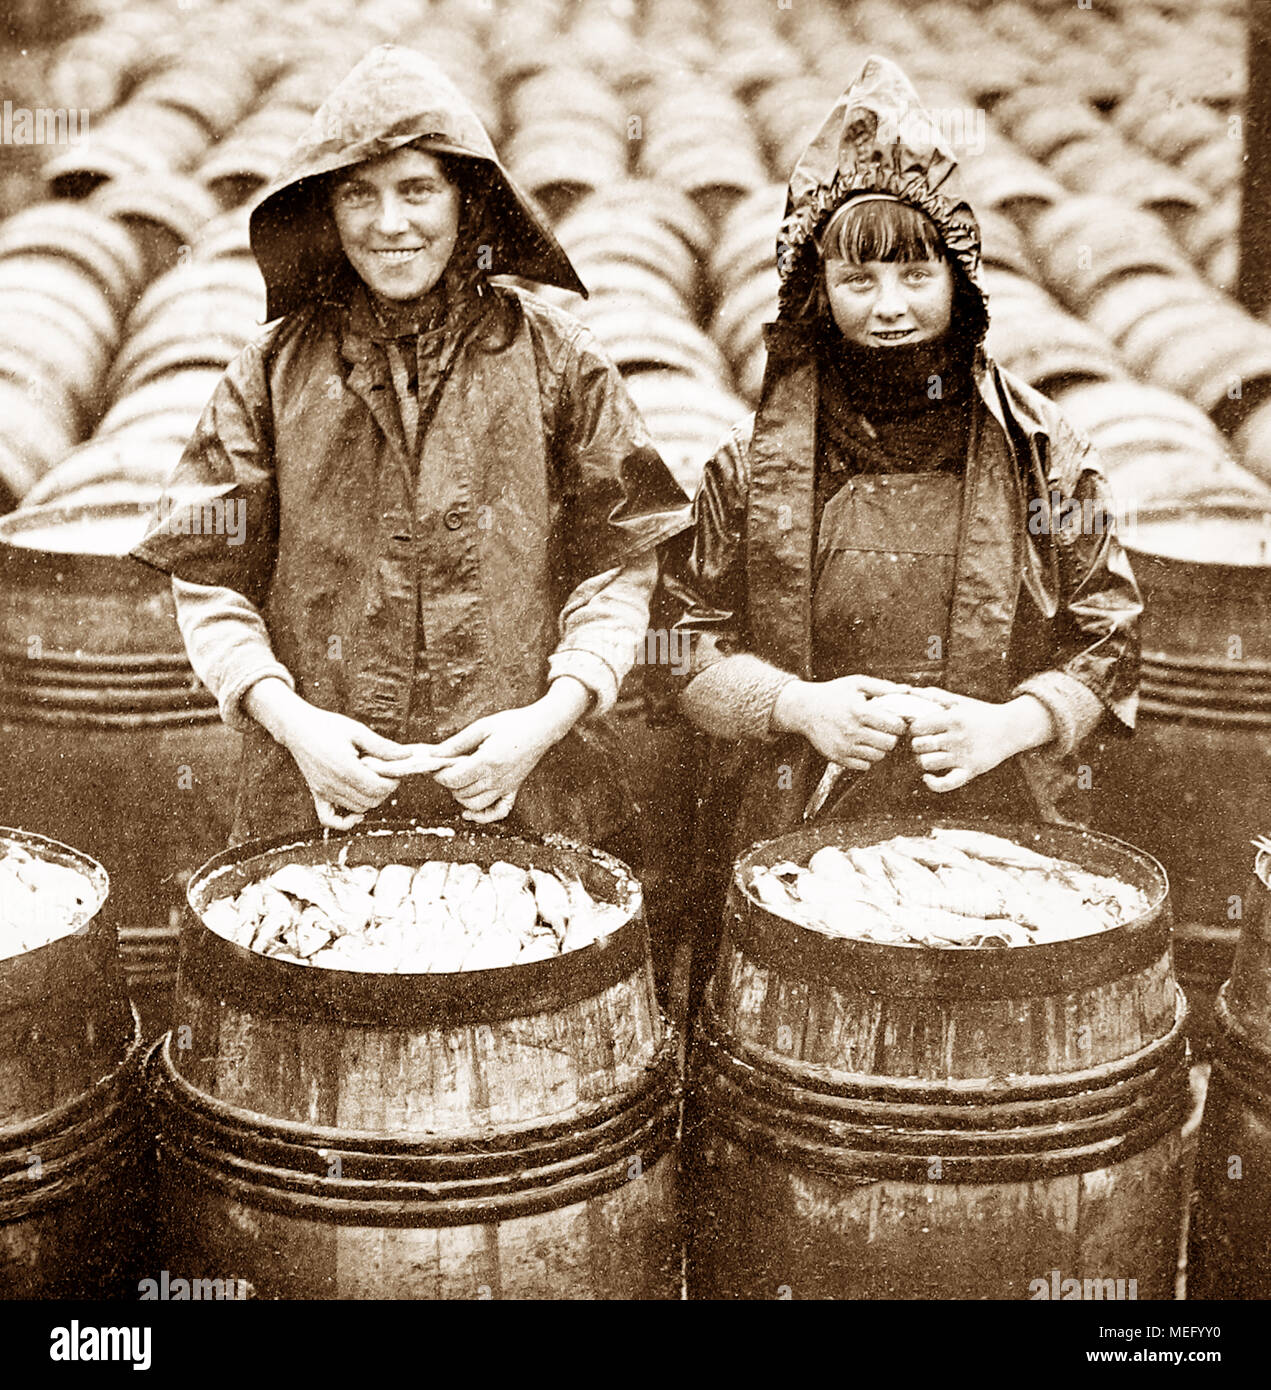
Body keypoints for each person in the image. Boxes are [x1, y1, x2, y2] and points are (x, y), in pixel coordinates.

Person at [657, 56, 1142, 1003]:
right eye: (858, 276)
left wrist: (1008, 725)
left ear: (961, 282)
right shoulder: (746, 465)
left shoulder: (1046, 454)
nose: (888, 306)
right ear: (815, 289)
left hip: (999, 826)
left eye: (916, 273)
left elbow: (1110, 634)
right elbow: (674, 643)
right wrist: (799, 707)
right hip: (786, 830)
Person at [131, 44, 689, 853]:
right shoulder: (271, 370)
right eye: (360, 194)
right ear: (327, 210)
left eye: (418, 190)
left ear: (467, 202)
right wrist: (293, 725)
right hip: (320, 789)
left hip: (525, 781)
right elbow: (208, 582)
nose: (391, 225)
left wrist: (546, 719)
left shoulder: (558, 358)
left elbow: (617, 569)